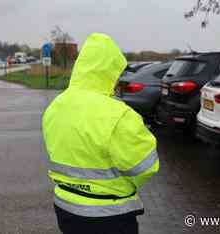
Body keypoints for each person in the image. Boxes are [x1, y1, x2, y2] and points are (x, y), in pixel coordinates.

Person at [42, 33, 159, 234]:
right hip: (109, 214)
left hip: (65, 207)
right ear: (109, 72)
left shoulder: (55, 106)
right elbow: (144, 167)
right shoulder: (118, 114)